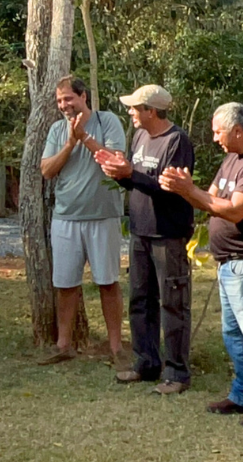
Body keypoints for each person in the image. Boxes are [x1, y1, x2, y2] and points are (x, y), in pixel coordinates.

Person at [160, 102, 243, 427]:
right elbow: (213, 199)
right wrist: (184, 189)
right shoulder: (233, 158)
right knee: (234, 334)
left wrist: (192, 192)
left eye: (218, 131)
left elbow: (234, 210)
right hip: (230, 263)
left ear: (237, 130)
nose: (215, 138)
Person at [95, 85, 195, 394]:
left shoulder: (176, 141)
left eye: (135, 108)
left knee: (173, 303)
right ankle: (146, 363)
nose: (130, 112)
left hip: (168, 234)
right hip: (140, 231)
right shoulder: (139, 137)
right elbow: (138, 182)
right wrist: (120, 174)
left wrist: (131, 174)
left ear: (151, 111)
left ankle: (177, 373)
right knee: (140, 300)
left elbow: (170, 187)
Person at [39, 76, 127, 368]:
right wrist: (69, 143)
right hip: (66, 216)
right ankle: (64, 345)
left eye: (69, 99)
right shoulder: (56, 130)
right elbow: (47, 170)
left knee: (107, 282)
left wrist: (85, 138)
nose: (64, 105)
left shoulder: (107, 121)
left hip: (103, 216)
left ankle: (116, 347)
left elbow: (116, 161)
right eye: (60, 101)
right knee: (65, 284)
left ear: (83, 97)